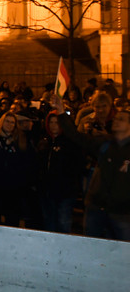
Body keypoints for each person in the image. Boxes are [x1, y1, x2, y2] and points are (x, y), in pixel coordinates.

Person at [51, 94, 130, 241]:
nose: (116, 121)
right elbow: (76, 136)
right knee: (91, 245)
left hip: (121, 213)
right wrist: (61, 112)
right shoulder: (105, 144)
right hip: (96, 208)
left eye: (122, 119)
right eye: (116, 118)